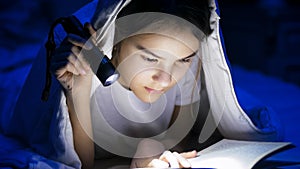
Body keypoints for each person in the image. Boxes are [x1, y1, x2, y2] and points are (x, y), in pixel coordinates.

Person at [5, 0, 283, 168]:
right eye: (150, 58)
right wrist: (78, 90)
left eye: (183, 59)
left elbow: (179, 136)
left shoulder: (189, 68)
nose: (166, 78)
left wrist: (150, 148)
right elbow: (80, 164)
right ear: (116, 40)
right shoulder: (85, 71)